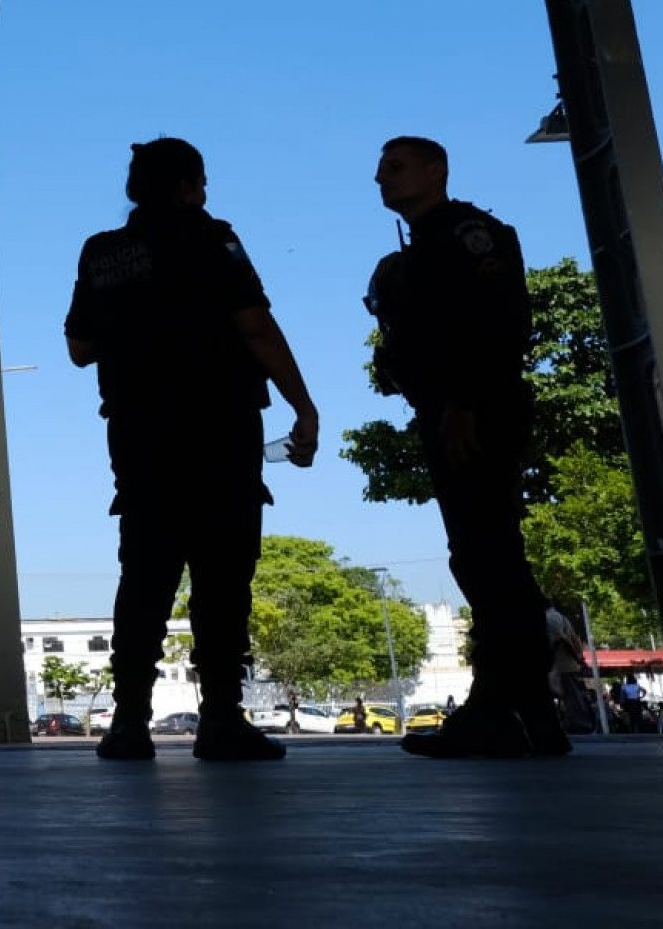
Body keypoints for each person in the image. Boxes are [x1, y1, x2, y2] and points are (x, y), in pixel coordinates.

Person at [65, 137, 320, 762]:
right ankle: (222, 720)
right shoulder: (212, 238)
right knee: (222, 574)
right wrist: (303, 407)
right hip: (216, 425)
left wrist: (138, 326)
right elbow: (253, 324)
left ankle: (128, 723)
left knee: (145, 574)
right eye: (199, 182)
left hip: (138, 432)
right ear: (186, 186)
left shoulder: (103, 251)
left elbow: (79, 347)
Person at [365, 136, 568, 758]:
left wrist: (463, 404)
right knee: (481, 554)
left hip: (474, 413)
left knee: (489, 555)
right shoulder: (422, 247)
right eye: (381, 168)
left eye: (395, 166)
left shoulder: (469, 235)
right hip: (447, 409)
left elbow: (499, 325)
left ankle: (501, 710)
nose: (381, 177)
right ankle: (528, 712)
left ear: (436, 170)